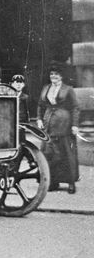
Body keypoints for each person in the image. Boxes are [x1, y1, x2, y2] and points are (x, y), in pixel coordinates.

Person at [37, 64, 79, 194]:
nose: (53, 76)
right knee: (49, 153)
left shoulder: (68, 89)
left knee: (66, 153)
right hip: (48, 123)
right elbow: (40, 105)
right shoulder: (46, 88)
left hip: (64, 125)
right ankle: (52, 181)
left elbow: (75, 108)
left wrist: (75, 125)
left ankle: (71, 183)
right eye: (51, 74)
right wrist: (38, 119)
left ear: (61, 76)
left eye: (56, 74)